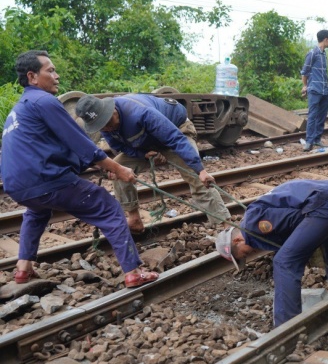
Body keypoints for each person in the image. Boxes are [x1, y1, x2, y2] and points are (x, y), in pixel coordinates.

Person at [2, 51, 158, 288]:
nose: (57, 75)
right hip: (45, 179)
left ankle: (23, 269)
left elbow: (57, 149)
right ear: (32, 76)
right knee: (109, 209)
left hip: (17, 186)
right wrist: (118, 168)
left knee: (36, 211)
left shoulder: (19, 109)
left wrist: (99, 166)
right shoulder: (44, 102)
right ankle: (134, 272)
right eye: (50, 70)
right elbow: (81, 144)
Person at [75, 94, 230, 234]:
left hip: (177, 131)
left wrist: (200, 170)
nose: (107, 128)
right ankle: (134, 217)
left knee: (198, 177)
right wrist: (143, 154)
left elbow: (175, 139)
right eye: (103, 126)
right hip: (148, 142)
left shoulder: (141, 113)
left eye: (109, 122)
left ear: (113, 110)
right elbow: (119, 147)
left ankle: (225, 225)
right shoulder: (104, 125)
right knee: (119, 170)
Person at [215, 180, 328, 326]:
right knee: (327, 245)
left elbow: (296, 218)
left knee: (284, 262)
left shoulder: (254, 222)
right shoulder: (254, 223)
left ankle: (286, 327)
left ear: (237, 240)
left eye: (244, 254)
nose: (248, 256)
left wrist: (303, 247)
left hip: (326, 204)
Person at [301, 29, 328, 151]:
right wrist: (305, 86)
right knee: (313, 115)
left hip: (325, 90)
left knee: (322, 116)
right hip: (314, 90)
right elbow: (305, 72)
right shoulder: (312, 53)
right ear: (325, 39)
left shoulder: (324, 54)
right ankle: (309, 141)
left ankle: (317, 139)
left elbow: (323, 73)